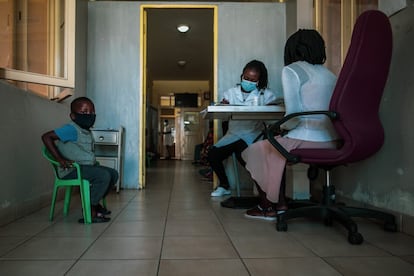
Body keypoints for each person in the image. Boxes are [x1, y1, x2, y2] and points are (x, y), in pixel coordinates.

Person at [241, 29, 340, 221]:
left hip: (307, 138)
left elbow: (293, 116)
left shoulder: (292, 70)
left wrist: (279, 128)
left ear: (292, 50)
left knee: (257, 149)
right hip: (333, 140)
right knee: (275, 145)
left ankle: (266, 206)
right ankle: (281, 204)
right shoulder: (330, 74)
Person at [208, 60, 280, 197]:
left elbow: (272, 119)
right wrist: (223, 106)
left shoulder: (266, 95)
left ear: (259, 81)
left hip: (252, 135)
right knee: (212, 155)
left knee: (246, 157)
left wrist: (270, 107)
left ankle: (263, 191)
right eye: (246, 78)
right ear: (242, 76)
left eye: (253, 80)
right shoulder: (230, 93)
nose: (248, 81)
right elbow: (223, 116)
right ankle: (224, 185)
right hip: (232, 134)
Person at [42, 97, 118, 223]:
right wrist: (59, 159)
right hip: (71, 170)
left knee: (113, 174)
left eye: (92, 112)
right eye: (84, 112)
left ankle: (93, 203)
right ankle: (90, 211)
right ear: (73, 116)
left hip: (85, 167)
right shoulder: (71, 129)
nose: (89, 115)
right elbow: (46, 137)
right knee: (103, 176)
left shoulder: (85, 130)